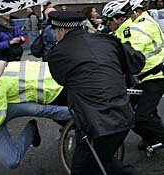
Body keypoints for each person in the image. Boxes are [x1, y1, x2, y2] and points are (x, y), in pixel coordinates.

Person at [48, 10, 144, 175]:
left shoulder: (59, 52)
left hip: (96, 125)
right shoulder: (107, 40)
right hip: (123, 115)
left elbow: (61, 81)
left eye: (55, 32)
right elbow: (137, 61)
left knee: (82, 169)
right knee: (103, 162)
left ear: (61, 31)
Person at [103, 0, 164, 150]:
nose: (106, 24)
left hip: (156, 77)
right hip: (146, 77)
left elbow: (130, 62)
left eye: (108, 20)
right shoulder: (124, 31)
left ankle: (157, 137)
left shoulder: (130, 33)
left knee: (142, 117)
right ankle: (151, 138)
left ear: (119, 19)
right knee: (132, 113)